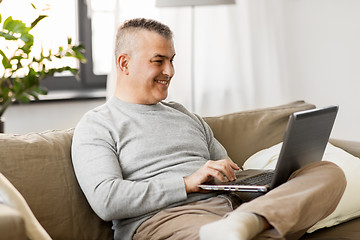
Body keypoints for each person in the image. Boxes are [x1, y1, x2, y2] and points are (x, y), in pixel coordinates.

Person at [71, 18, 346, 240]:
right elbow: (107, 201)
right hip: (166, 222)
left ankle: (247, 224)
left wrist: (269, 179)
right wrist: (186, 183)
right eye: (158, 60)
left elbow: (228, 172)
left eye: (172, 59)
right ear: (124, 63)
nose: (170, 70)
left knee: (326, 171)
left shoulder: (184, 115)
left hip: (233, 212)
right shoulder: (98, 124)